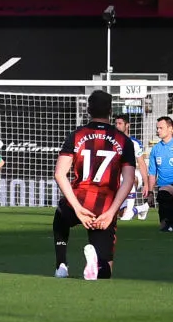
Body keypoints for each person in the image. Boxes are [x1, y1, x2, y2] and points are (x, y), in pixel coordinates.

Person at [52, 90, 138, 280]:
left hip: (80, 200)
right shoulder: (124, 141)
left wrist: (77, 208)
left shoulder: (76, 136)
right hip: (105, 207)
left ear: (89, 109)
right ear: (110, 111)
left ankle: (61, 265)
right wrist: (111, 212)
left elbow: (60, 174)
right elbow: (129, 179)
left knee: (60, 217)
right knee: (106, 269)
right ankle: (98, 265)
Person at [113, 114, 149, 220]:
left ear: (127, 125)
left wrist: (146, 184)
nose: (117, 126)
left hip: (133, 175)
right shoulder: (112, 142)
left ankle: (129, 212)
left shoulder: (135, 143)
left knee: (130, 177)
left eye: (120, 124)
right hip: (117, 177)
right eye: (116, 124)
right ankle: (142, 208)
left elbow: (142, 164)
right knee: (119, 214)